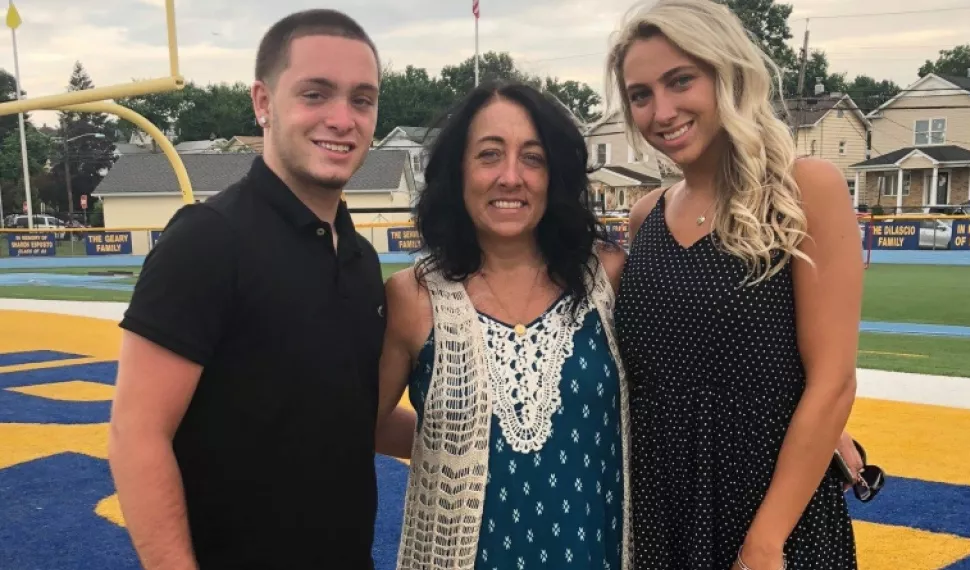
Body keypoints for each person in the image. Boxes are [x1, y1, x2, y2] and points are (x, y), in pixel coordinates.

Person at [107, 9, 413, 569]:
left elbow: (351, 414)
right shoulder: (207, 242)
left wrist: (478, 436)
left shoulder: (362, 261)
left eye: (362, 99)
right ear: (263, 103)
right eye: (316, 94)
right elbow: (136, 434)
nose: (342, 118)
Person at [607, 1, 864, 569]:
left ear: (727, 75)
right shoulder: (644, 216)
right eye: (641, 94)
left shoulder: (805, 189)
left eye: (681, 81)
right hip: (660, 505)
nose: (662, 110)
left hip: (773, 512)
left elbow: (833, 381)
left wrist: (766, 541)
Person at [377, 82, 633, 570]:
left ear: (554, 174)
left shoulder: (609, 279)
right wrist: (459, 437)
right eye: (489, 155)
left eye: (533, 158)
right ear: (458, 171)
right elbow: (365, 423)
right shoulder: (414, 298)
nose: (511, 177)